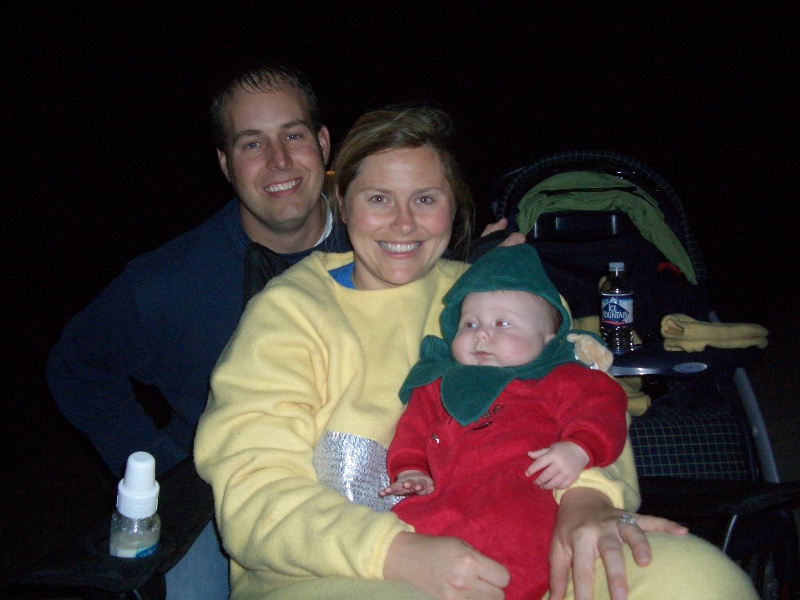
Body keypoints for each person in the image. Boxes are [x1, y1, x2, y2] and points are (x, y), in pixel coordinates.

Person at [194, 104, 757, 600]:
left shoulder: (504, 296)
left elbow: (584, 394)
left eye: (425, 199)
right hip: (333, 567)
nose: (404, 222)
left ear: (453, 207)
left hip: (527, 539)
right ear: (342, 202)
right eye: (379, 199)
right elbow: (253, 488)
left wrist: (588, 500)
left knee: (701, 581)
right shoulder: (288, 313)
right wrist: (396, 554)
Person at [46, 62, 350, 599]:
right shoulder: (168, 281)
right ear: (226, 163)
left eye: (293, 135)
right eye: (251, 143)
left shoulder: (385, 241)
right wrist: (162, 469)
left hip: (368, 479)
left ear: (323, 143)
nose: (279, 160)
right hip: (221, 500)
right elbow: (77, 367)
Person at [380, 243, 628, 600]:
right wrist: (411, 470)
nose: (481, 333)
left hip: (520, 496)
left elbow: (604, 406)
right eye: (469, 324)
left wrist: (579, 448)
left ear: (547, 339)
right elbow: (412, 430)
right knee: (407, 529)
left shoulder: (560, 378)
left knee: (517, 547)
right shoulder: (439, 384)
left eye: (502, 323)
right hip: (442, 498)